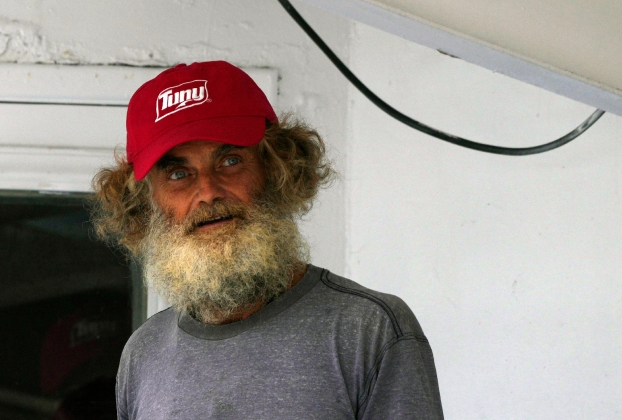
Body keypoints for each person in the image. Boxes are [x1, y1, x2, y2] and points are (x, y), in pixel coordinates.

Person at [91, 60, 444, 419]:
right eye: (179, 174)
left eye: (230, 161)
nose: (208, 192)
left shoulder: (368, 330)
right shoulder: (144, 353)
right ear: (146, 205)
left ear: (277, 170)